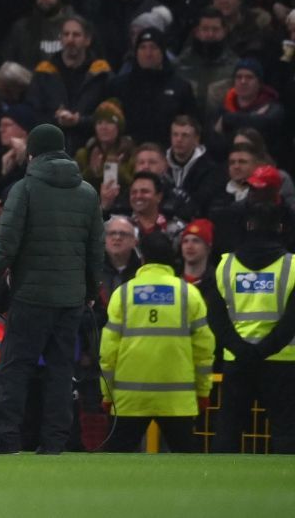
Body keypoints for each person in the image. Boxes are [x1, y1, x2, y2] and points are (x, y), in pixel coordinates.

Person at [0, 123, 105, 455]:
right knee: (61, 372)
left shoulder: (25, 189)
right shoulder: (87, 192)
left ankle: (5, 438)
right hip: (71, 299)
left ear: (31, 153)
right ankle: (55, 443)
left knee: (15, 368)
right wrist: (89, 290)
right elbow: (95, 250)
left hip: (30, 295)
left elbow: (5, 247)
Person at [202, 166, 295, 453]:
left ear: (247, 225)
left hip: (236, 359)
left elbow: (216, 318)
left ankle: (218, 490)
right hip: (283, 361)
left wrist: (242, 350)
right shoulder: (292, 266)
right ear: (279, 227)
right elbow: (292, 322)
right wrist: (264, 349)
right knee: (284, 431)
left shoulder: (225, 266)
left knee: (229, 430)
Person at [98, 228, 214, 453]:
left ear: (141, 257)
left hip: (130, 398)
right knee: (188, 466)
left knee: (114, 465)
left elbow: (108, 350)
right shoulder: (188, 294)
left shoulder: (123, 294)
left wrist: (106, 393)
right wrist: (203, 392)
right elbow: (204, 350)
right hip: (177, 399)